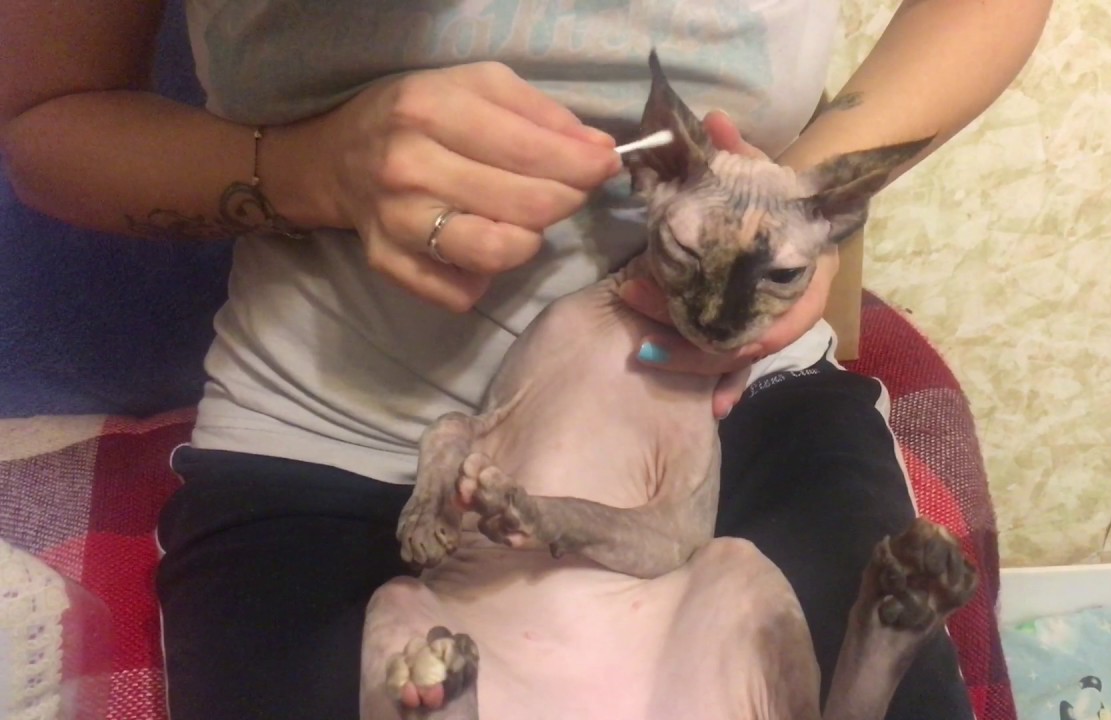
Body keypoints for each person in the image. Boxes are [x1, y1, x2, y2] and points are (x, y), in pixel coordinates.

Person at [0, 1, 1051, 718]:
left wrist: (791, 205)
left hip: (736, 417)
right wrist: (311, 170)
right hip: (329, 440)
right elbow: (46, 117)